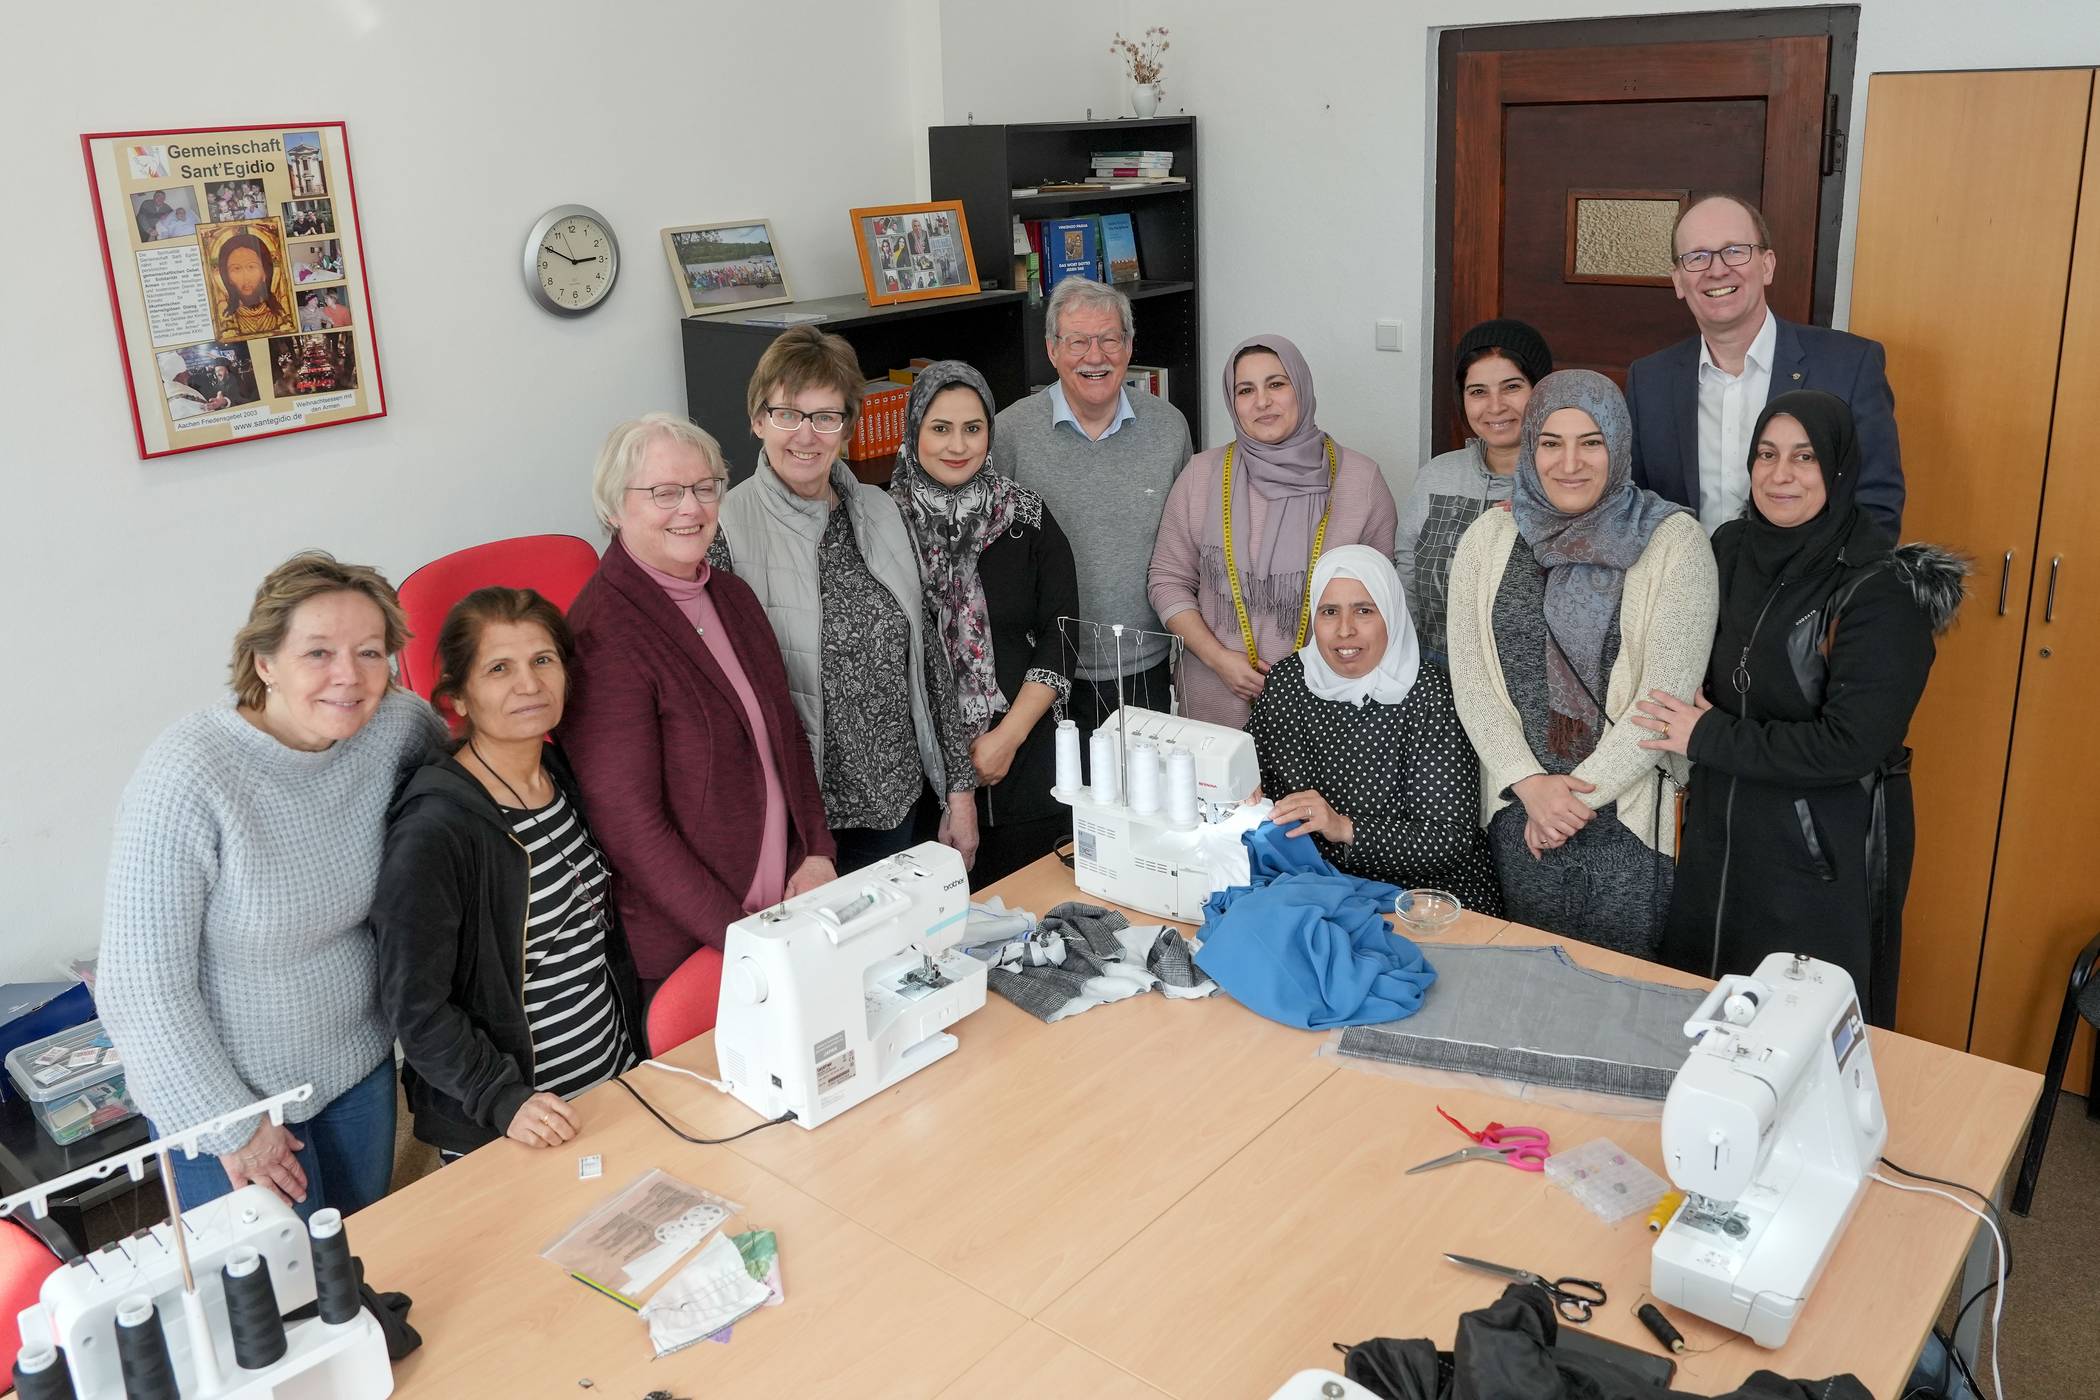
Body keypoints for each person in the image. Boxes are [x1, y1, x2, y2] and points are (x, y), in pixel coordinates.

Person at [98, 553, 448, 1217]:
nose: (349, 676)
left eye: (370, 652)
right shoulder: (189, 774)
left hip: (358, 1070)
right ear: (264, 664)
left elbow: (462, 798)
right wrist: (234, 1127)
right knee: (270, 1302)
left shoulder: (397, 728)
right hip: (226, 1098)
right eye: (318, 653)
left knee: (362, 1258)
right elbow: (139, 987)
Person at [1636, 392, 1963, 1026]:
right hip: (1723, 836)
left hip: (1821, 857)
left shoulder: (1880, 588)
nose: (1780, 475)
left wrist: (1708, 735)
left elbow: (1850, 745)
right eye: (1766, 454)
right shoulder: (1730, 547)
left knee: (1801, 1034)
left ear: (1839, 469)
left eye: (1804, 457)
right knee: (1708, 1022)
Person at [562, 414, 837, 1002]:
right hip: (701, 944)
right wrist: (739, 934)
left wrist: (815, 850)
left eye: (704, 487)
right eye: (663, 492)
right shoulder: (601, 632)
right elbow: (631, 827)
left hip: (787, 905)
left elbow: (786, 734)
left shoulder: (728, 594)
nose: (689, 508)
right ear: (614, 508)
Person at [1447, 370, 1718, 955]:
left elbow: (1663, 701)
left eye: (1591, 442)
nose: (1569, 463)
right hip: (1518, 815)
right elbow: (1471, 680)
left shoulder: (1675, 542)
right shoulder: (1488, 538)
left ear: (1618, 446)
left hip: (1629, 820)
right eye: (1550, 442)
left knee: (1623, 999)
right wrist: (1530, 787)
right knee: (1522, 992)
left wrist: (1569, 804)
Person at [373, 588, 645, 1160]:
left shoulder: (557, 772)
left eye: (543, 660)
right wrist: (503, 1100)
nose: (530, 684)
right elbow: (415, 1009)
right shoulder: (434, 829)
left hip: (611, 1083)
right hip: (517, 1123)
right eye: (500, 668)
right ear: (460, 698)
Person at [715, 327, 980, 871]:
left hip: (899, 801)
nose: (806, 436)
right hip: (804, 824)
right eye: (788, 414)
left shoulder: (882, 511)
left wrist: (960, 791)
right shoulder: (724, 529)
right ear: (758, 420)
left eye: (826, 417)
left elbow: (927, 654)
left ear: (847, 429)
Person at [889, 360, 1080, 885]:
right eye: (940, 428)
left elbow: (1062, 635)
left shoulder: (1028, 517)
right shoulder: (881, 526)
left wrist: (1008, 738)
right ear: (914, 431)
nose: (958, 445)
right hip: (918, 781)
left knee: (1034, 933)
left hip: (1025, 768)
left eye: (973, 429)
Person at [1149, 335, 1398, 728]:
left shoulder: (1361, 480)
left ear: (1301, 387)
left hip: (1328, 705)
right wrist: (1218, 659)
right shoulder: (1200, 475)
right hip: (1216, 698)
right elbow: (1167, 581)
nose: (1262, 401)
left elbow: (1384, 603)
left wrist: (1319, 672)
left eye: (1277, 384)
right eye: (1245, 390)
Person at [1626, 192, 1904, 537]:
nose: (1717, 269)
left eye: (1735, 251)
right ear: (1679, 280)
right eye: (1697, 256)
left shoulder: (1850, 366)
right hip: (1686, 586)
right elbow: (1634, 506)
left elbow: (1876, 507)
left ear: (1767, 265)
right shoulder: (1648, 380)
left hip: (1809, 588)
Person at [1247, 546, 1502, 913]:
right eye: (1329, 611)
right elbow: (1248, 764)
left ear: (1392, 615)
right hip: (1313, 881)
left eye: (1364, 611)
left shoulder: (1430, 695)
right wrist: (1241, 783)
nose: (1345, 630)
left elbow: (1451, 838)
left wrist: (1343, 827)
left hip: (1422, 894)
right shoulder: (1289, 680)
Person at [996, 277, 1193, 731]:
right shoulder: (1008, 434)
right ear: (1052, 350)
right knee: (1058, 802)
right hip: (1042, 674)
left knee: (1142, 799)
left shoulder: (1169, 427)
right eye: (1078, 341)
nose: (1095, 356)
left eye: (1109, 339)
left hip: (1146, 661)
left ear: (1128, 346)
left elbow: (1186, 546)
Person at [1395, 319, 1554, 662]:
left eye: (1512, 387)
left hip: (1524, 689)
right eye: (1478, 391)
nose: (1494, 406)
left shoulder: (1567, 483)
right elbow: (1407, 572)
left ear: (1540, 391)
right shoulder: (1438, 475)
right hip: (1431, 674)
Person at [214, 230, 291, 338]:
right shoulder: (229, 322)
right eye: (236, 269)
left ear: (264, 273)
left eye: (251, 267)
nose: (246, 278)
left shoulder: (281, 316)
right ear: (228, 278)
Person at [158, 349, 229, 420]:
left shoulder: (166, 396)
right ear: (179, 375)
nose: (189, 375)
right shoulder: (184, 398)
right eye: (185, 372)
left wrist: (224, 401)